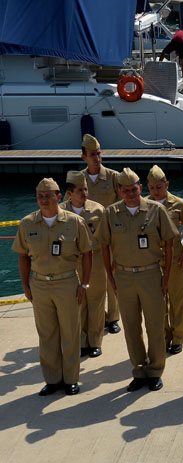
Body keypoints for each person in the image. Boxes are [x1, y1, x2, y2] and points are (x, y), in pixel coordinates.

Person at [13, 178, 95, 396]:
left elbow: (88, 253)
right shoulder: (27, 223)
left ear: (59, 197)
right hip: (39, 284)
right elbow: (23, 256)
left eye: (48, 196)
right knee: (47, 334)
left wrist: (84, 283)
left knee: (70, 332)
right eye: (40, 196)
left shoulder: (74, 222)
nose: (43, 200)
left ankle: (71, 379)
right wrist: (25, 285)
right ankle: (52, 379)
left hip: (67, 282)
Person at [100, 168, 178, 392]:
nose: (130, 194)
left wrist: (166, 275)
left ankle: (155, 370)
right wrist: (110, 276)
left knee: (155, 325)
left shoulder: (156, 210)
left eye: (134, 189)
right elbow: (104, 246)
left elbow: (170, 243)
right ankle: (139, 370)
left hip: (151, 273)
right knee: (131, 327)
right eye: (125, 190)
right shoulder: (111, 213)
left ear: (140, 189)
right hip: (123, 276)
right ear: (119, 191)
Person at [79, 133, 123, 335]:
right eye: (91, 154)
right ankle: (100, 317)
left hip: (110, 237)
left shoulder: (114, 177)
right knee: (91, 281)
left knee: (111, 276)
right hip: (87, 239)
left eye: (98, 154)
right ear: (83, 157)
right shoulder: (79, 180)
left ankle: (114, 317)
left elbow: (123, 204)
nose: (96, 158)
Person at [61, 171, 107, 359]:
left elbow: (105, 239)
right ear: (70, 193)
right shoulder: (61, 212)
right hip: (72, 262)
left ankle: (95, 341)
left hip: (95, 260)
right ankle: (81, 341)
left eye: (86, 189)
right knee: (77, 303)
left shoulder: (98, 210)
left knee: (96, 300)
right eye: (80, 190)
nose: (85, 193)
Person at [146, 165, 183, 355]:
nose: (156, 191)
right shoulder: (144, 204)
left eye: (159, 186)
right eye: (152, 187)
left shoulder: (178, 204)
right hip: (153, 260)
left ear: (167, 184)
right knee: (158, 302)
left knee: (177, 299)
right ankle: (164, 336)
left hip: (176, 259)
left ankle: (178, 336)